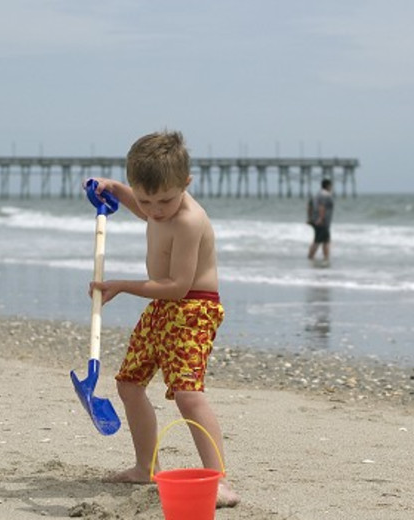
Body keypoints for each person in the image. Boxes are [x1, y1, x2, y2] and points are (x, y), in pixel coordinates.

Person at [85, 130, 239, 508]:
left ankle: (221, 481)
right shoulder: (156, 206)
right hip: (162, 308)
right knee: (129, 384)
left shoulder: (189, 220)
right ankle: (145, 466)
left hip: (192, 309)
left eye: (164, 200)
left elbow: (177, 286)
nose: (154, 210)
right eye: (145, 199)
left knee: (188, 396)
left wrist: (121, 285)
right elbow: (144, 208)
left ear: (185, 184)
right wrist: (115, 189)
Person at [307, 178, 334, 265]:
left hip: (315, 220)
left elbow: (309, 206)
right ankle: (321, 258)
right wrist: (321, 219)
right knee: (320, 241)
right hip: (323, 222)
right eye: (331, 186)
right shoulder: (326, 195)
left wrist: (310, 218)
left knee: (323, 240)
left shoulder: (316, 194)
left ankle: (323, 258)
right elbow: (322, 206)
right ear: (328, 186)